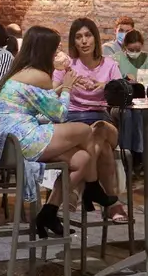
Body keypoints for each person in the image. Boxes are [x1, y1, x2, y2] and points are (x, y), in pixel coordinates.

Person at [0, 26, 121, 237]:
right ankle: (92, 186)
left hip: (10, 140)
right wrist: (69, 86)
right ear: (45, 50)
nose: (58, 54)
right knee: (83, 130)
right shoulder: (40, 75)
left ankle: (49, 213)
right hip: (23, 137)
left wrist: (60, 88)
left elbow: (42, 100)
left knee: (82, 159)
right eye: (55, 49)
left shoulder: (24, 71)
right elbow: (60, 114)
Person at [54, 18, 129, 223]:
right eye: (78, 37)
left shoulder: (110, 64)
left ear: (95, 39)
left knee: (99, 129)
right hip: (74, 120)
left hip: (102, 118)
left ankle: (75, 192)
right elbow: (50, 94)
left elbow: (124, 95)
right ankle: (113, 203)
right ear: (73, 41)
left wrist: (105, 86)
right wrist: (67, 85)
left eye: (88, 36)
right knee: (102, 148)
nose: (84, 41)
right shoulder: (67, 66)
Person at [113, 29, 148, 173]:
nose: (134, 52)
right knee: (128, 115)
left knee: (140, 114)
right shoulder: (117, 58)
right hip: (122, 103)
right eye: (131, 49)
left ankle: (138, 156)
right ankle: (127, 156)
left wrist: (146, 78)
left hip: (144, 101)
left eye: (137, 49)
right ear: (124, 47)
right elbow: (110, 81)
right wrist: (124, 78)